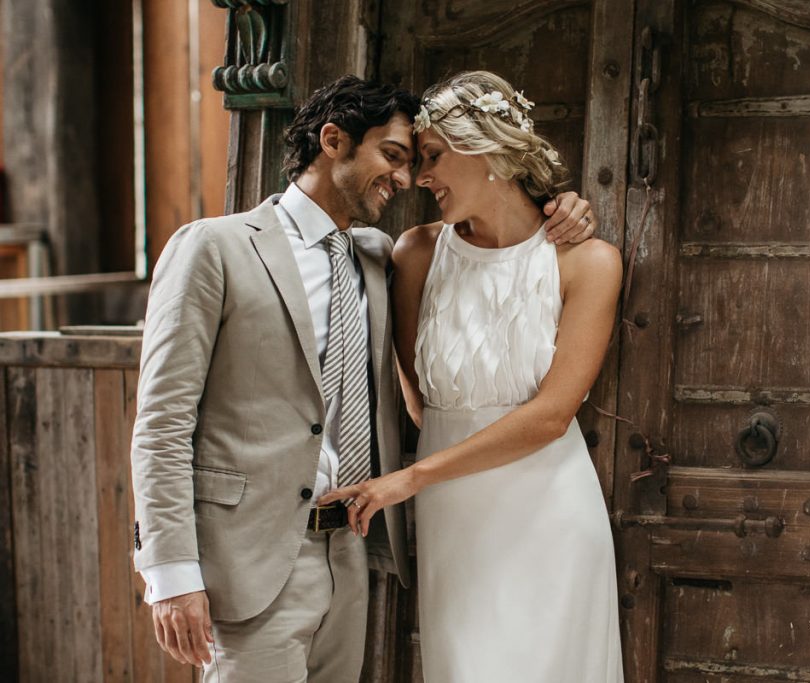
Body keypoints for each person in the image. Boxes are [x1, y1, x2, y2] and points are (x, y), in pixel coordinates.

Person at [130, 74, 595, 682]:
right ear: (333, 140)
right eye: (393, 157)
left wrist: (565, 206)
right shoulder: (214, 248)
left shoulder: (381, 255)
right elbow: (162, 424)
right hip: (246, 560)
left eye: (415, 162)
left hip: (349, 553)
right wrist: (169, 575)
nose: (405, 180)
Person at [319, 71, 624, 682]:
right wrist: (424, 478)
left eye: (431, 157)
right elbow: (416, 396)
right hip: (452, 515)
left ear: (487, 149)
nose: (418, 177)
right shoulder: (417, 253)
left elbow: (551, 415)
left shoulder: (588, 261)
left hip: (549, 512)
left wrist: (409, 478)